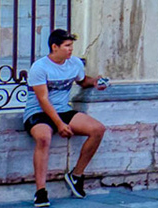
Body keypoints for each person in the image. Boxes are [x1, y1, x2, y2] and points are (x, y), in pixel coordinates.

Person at [22, 29, 109, 204]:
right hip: (38, 112)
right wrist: (59, 124)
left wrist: (95, 82)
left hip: (63, 109)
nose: (70, 49)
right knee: (44, 138)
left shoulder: (74, 63)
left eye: (71, 46)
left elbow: (82, 80)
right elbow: (43, 100)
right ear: (55, 47)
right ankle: (41, 191)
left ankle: (76, 175)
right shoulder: (39, 67)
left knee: (98, 129)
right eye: (67, 46)